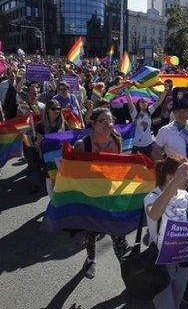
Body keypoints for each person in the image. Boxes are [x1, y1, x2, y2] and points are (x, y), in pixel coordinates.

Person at [73, 107, 128, 278]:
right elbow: (75, 173)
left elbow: (120, 166)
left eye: (110, 120)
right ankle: (91, 260)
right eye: (103, 121)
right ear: (93, 123)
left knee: (118, 234)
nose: (108, 124)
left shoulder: (117, 139)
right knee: (91, 232)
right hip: (91, 198)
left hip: (111, 196)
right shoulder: (82, 145)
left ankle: (128, 268)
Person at [144, 155, 188, 309]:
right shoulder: (151, 197)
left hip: (181, 261)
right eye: (186, 176)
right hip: (160, 264)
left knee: (177, 302)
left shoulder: (185, 195)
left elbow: (182, 224)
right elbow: (154, 214)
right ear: (170, 177)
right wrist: (173, 185)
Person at [124, 84, 167, 156]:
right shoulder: (135, 113)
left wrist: (166, 90)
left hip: (148, 144)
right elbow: (129, 101)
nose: (144, 103)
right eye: (142, 102)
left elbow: (159, 101)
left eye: (145, 102)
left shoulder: (149, 112)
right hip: (137, 145)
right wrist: (126, 90)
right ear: (138, 104)